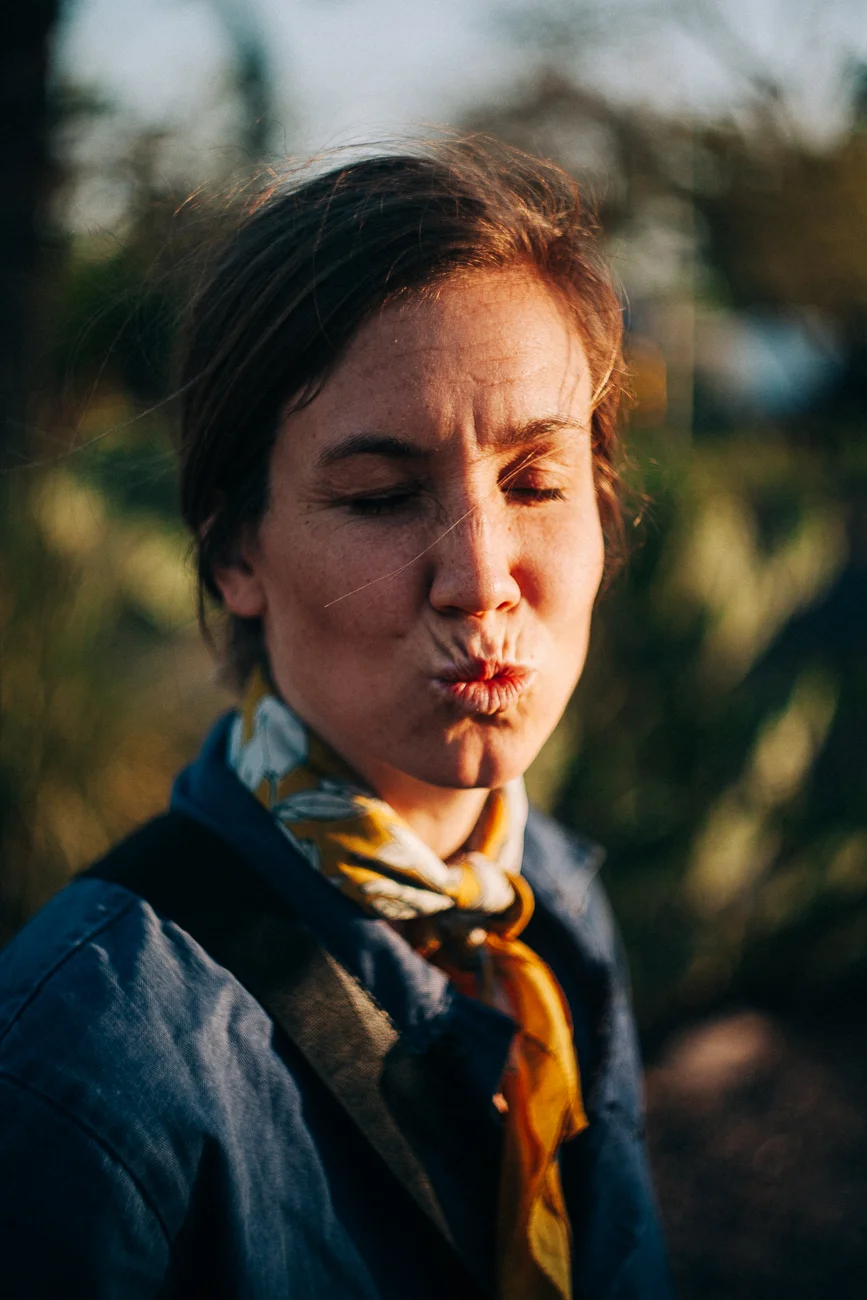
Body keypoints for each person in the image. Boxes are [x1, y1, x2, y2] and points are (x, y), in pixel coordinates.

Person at [0, 140, 672, 1299]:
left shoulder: (546, 906)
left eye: (535, 482)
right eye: (380, 495)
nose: (478, 577)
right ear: (233, 554)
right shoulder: (85, 1061)